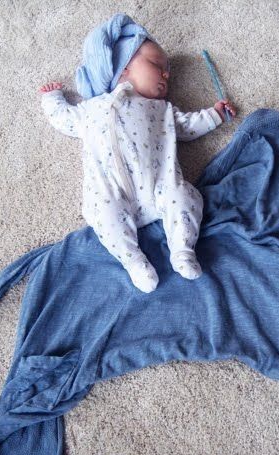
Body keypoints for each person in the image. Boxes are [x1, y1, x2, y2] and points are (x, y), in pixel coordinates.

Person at [39, 14, 236, 292]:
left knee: (186, 196)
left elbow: (188, 126)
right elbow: (63, 119)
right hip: (111, 190)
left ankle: (182, 250)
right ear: (122, 69)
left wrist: (215, 115)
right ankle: (134, 262)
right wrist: (52, 98)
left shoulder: (163, 110)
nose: (166, 74)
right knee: (101, 212)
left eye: (167, 71)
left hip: (160, 187)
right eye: (157, 65)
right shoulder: (92, 108)